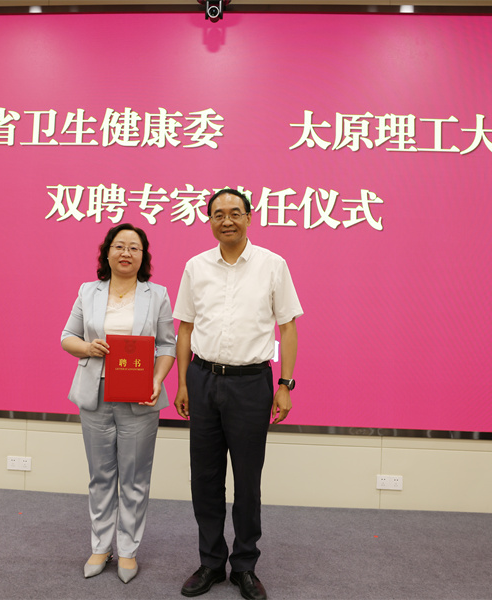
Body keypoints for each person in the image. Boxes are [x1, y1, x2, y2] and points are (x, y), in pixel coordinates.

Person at [173, 188, 302, 600]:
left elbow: (287, 327)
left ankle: (245, 566)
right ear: (209, 220)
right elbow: (185, 329)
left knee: (247, 481)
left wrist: (285, 384)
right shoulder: (196, 266)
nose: (226, 220)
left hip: (251, 384)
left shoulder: (272, 265)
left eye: (234, 212)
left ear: (249, 216)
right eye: (218, 214)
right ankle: (211, 562)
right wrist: (182, 382)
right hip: (203, 378)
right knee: (205, 478)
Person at [61, 223, 176, 584]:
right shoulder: (88, 291)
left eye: (134, 248)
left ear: (143, 256)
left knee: (135, 477)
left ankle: (127, 549)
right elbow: (67, 337)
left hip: (139, 396)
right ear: (107, 252)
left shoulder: (157, 294)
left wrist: (156, 380)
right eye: (119, 246)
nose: (126, 253)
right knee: (101, 476)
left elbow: (167, 345)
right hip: (94, 395)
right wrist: (87, 347)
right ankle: (100, 546)